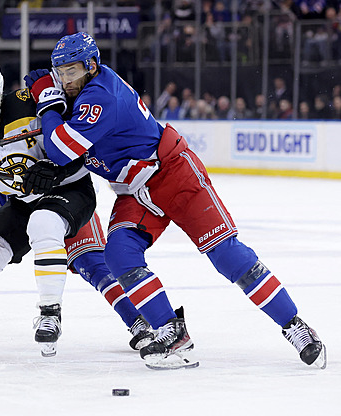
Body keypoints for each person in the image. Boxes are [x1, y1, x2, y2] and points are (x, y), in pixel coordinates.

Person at [25, 32, 326, 370]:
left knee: (227, 255)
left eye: (72, 71)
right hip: (135, 189)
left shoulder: (100, 96)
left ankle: (296, 327)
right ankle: (171, 330)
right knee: (119, 254)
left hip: (173, 174)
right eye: (60, 72)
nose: (65, 80)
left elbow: (62, 148)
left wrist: (47, 104)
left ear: (92, 65)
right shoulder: (83, 90)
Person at [0, 63, 148, 359]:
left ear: (0, 100)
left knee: (83, 255)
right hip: (24, 202)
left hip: (69, 190)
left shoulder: (26, 105)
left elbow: (76, 143)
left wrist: (55, 170)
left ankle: (52, 314)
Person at [0, 175, 154, 352]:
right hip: (16, 220)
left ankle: (137, 321)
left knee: (94, 265)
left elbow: (79, 179)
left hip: (64, 211)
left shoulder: (31, 135)